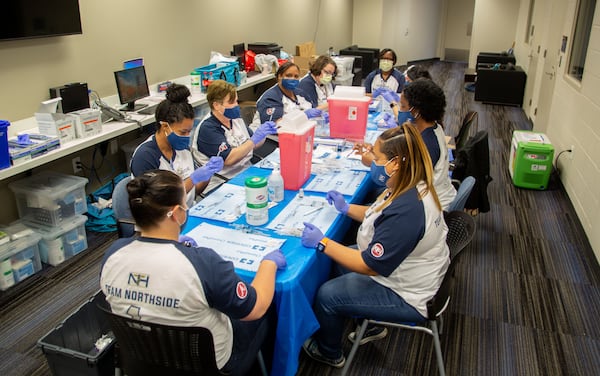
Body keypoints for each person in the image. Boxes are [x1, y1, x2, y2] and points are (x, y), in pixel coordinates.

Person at [100, 169, 286, 375]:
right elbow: (256, 308)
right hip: (209, 366)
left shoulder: (112, 255)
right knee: (269, 310)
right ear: (178, 213)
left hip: (141, 360)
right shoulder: (203, 264)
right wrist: (268, 264)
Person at [300, 124, 449, 368]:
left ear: (396, 163)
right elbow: (377, 213)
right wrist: (345, 208)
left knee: (327, 295)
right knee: (341, 259)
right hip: (414, 272)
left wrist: (323, 242)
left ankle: (329, 352)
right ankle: (369, 323)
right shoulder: (413, 184)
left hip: (408, 293)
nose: (375, 162)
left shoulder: (407, 211)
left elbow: (369, 265)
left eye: (378, 158)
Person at [354, 79, 457, 210]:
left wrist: (373, 161)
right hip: (428, 196)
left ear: (416, 112)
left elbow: (394, 177)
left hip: (429, 206)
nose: (399, 111)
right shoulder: (432, 128)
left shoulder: (426, 144)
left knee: (367, 202)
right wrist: (379, 151)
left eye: (402, 106)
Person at [130, 84, 224, 207]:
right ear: (164, 126)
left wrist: (208, 173)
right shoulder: (145, 156)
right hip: (161, 220)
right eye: (183, 132)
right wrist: (192, 179)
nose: (187, 136)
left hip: (185, 212)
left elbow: (193, 192)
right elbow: (158, 204)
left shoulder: (182, 148)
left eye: (189, 131)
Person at [192, 80, 277, 187]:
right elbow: (229, 159)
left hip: (245, 170)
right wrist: (254, 140)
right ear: (217, 105)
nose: (236, 105)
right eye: (231, 102)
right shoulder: (208, 128)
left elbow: (252, 146)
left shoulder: (235, 118)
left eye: (236, 101)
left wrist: (263, 133)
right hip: (222, 181)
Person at [254, 61, 322, 124]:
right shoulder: (270, 98)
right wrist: (304, 116)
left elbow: (313, 110)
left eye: (296, 76)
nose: (293, 79)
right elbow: (275, 125)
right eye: (289, 75)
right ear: (279, 76)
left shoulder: (301, 94)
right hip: (273, 136)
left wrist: (320, 116)